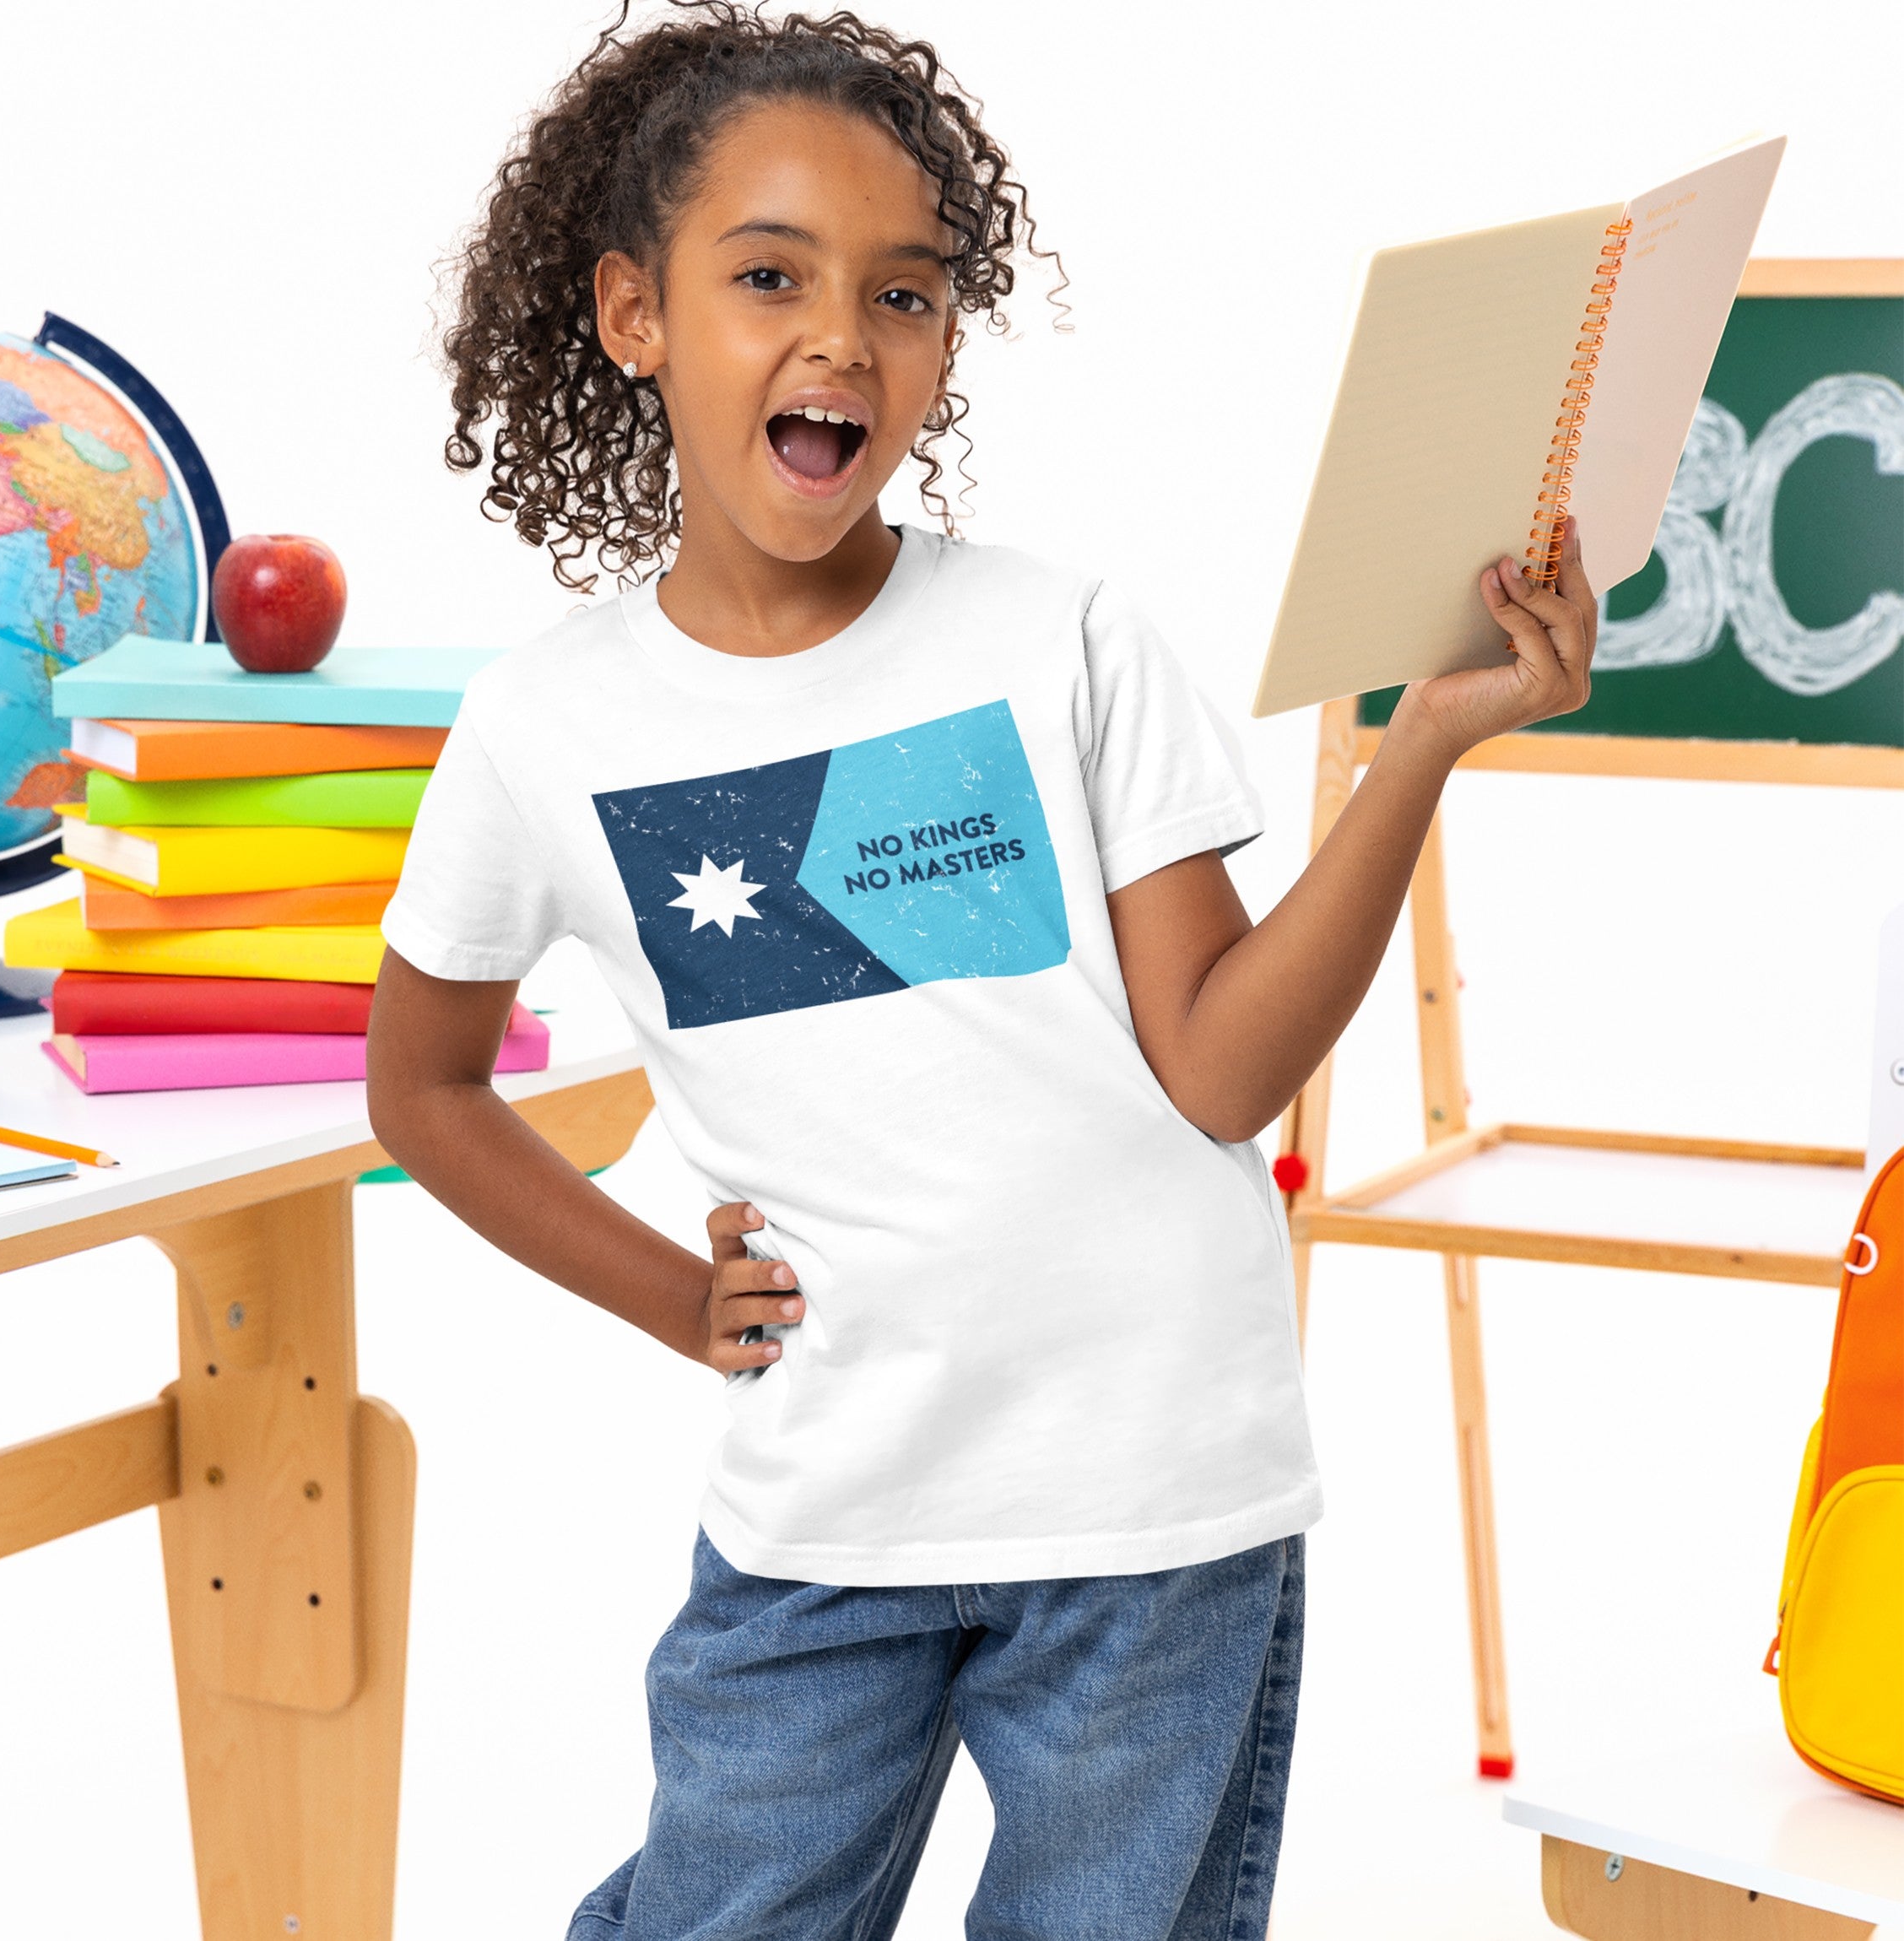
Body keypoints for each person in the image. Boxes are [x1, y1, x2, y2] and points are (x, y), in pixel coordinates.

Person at [365, 5, 1597, 1934]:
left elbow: (1219, 1071)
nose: (842, 339)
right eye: (768, 276)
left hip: (1154, 1498)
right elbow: (423, 1085)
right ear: (632, 313)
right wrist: (677, 1300)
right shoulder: (545, 728)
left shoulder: (1064, 640)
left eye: (906, 293)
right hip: (826, 1503)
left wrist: (1422, 741)